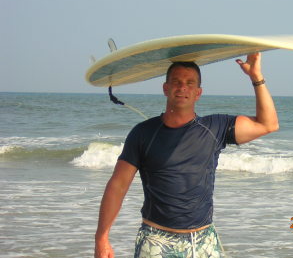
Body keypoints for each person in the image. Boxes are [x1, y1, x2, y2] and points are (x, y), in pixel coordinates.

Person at [95, 52, 278, 258]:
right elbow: (118, 185)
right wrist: (102, 238)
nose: (182, 87)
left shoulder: (215, 127)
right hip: (156, 241)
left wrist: (256, 77)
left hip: (203, 241)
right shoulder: (143, 133)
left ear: (198, 92)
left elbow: (268, 124)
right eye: (176, 82)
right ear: (166, 88)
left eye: (190, 83)